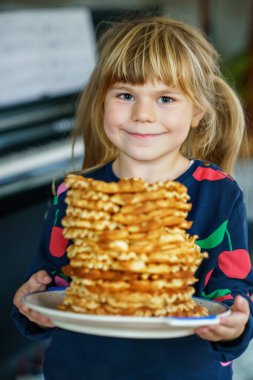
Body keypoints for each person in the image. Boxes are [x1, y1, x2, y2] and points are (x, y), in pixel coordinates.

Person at [12, 16, 253, 380]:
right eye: (126, 95)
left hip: (183, 371)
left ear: (197, 113)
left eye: (166, 98)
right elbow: (51, 286)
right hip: (81, 368)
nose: (143, 115)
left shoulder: (219, 193)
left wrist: (235, 326)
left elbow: (233, 293)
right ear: (101, 102)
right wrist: (31, 307)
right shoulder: (74, 196)